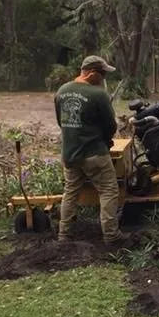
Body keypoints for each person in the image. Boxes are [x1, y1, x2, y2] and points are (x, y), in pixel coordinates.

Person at [54, 55, 124, 246]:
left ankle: (64, 235)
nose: (103, 79)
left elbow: (62, 123)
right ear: (92, 74)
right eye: (102, 75)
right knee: (108, 190)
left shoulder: (62, 91)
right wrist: (104, 140)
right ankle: (111, 235)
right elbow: (110, 126)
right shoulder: (98, 95)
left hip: (69, 154)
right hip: (94, 153)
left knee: (70, 192)